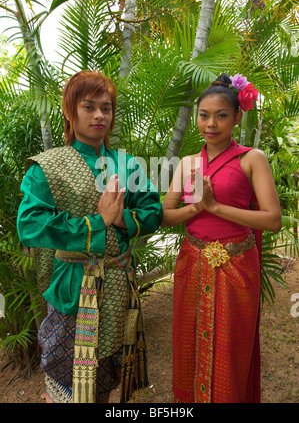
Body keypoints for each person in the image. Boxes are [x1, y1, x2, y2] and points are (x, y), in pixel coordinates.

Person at [17, 70, 162, 403]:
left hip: (119, 285)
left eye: (106, 108)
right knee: (69, 374)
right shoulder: (48, 167)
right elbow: (31, 224)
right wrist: (98, 223)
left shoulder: (127, 165)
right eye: (89, 107)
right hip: (73, 289)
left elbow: (152, 211)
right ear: (70, 111)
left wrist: (121, 218)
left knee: (108, 371)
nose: (99, 115)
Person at [162, 73, 281, 403]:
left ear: (237, 117)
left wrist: (214, 206)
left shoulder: (251, 159)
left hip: (237, 267)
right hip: (192, 263)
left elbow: (272, 220)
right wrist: (194, 210)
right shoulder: (187, 164)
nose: (210, 123)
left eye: (221, 115)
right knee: (188, 348)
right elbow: (166, 214)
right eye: (204, 115)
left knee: (231, 351)